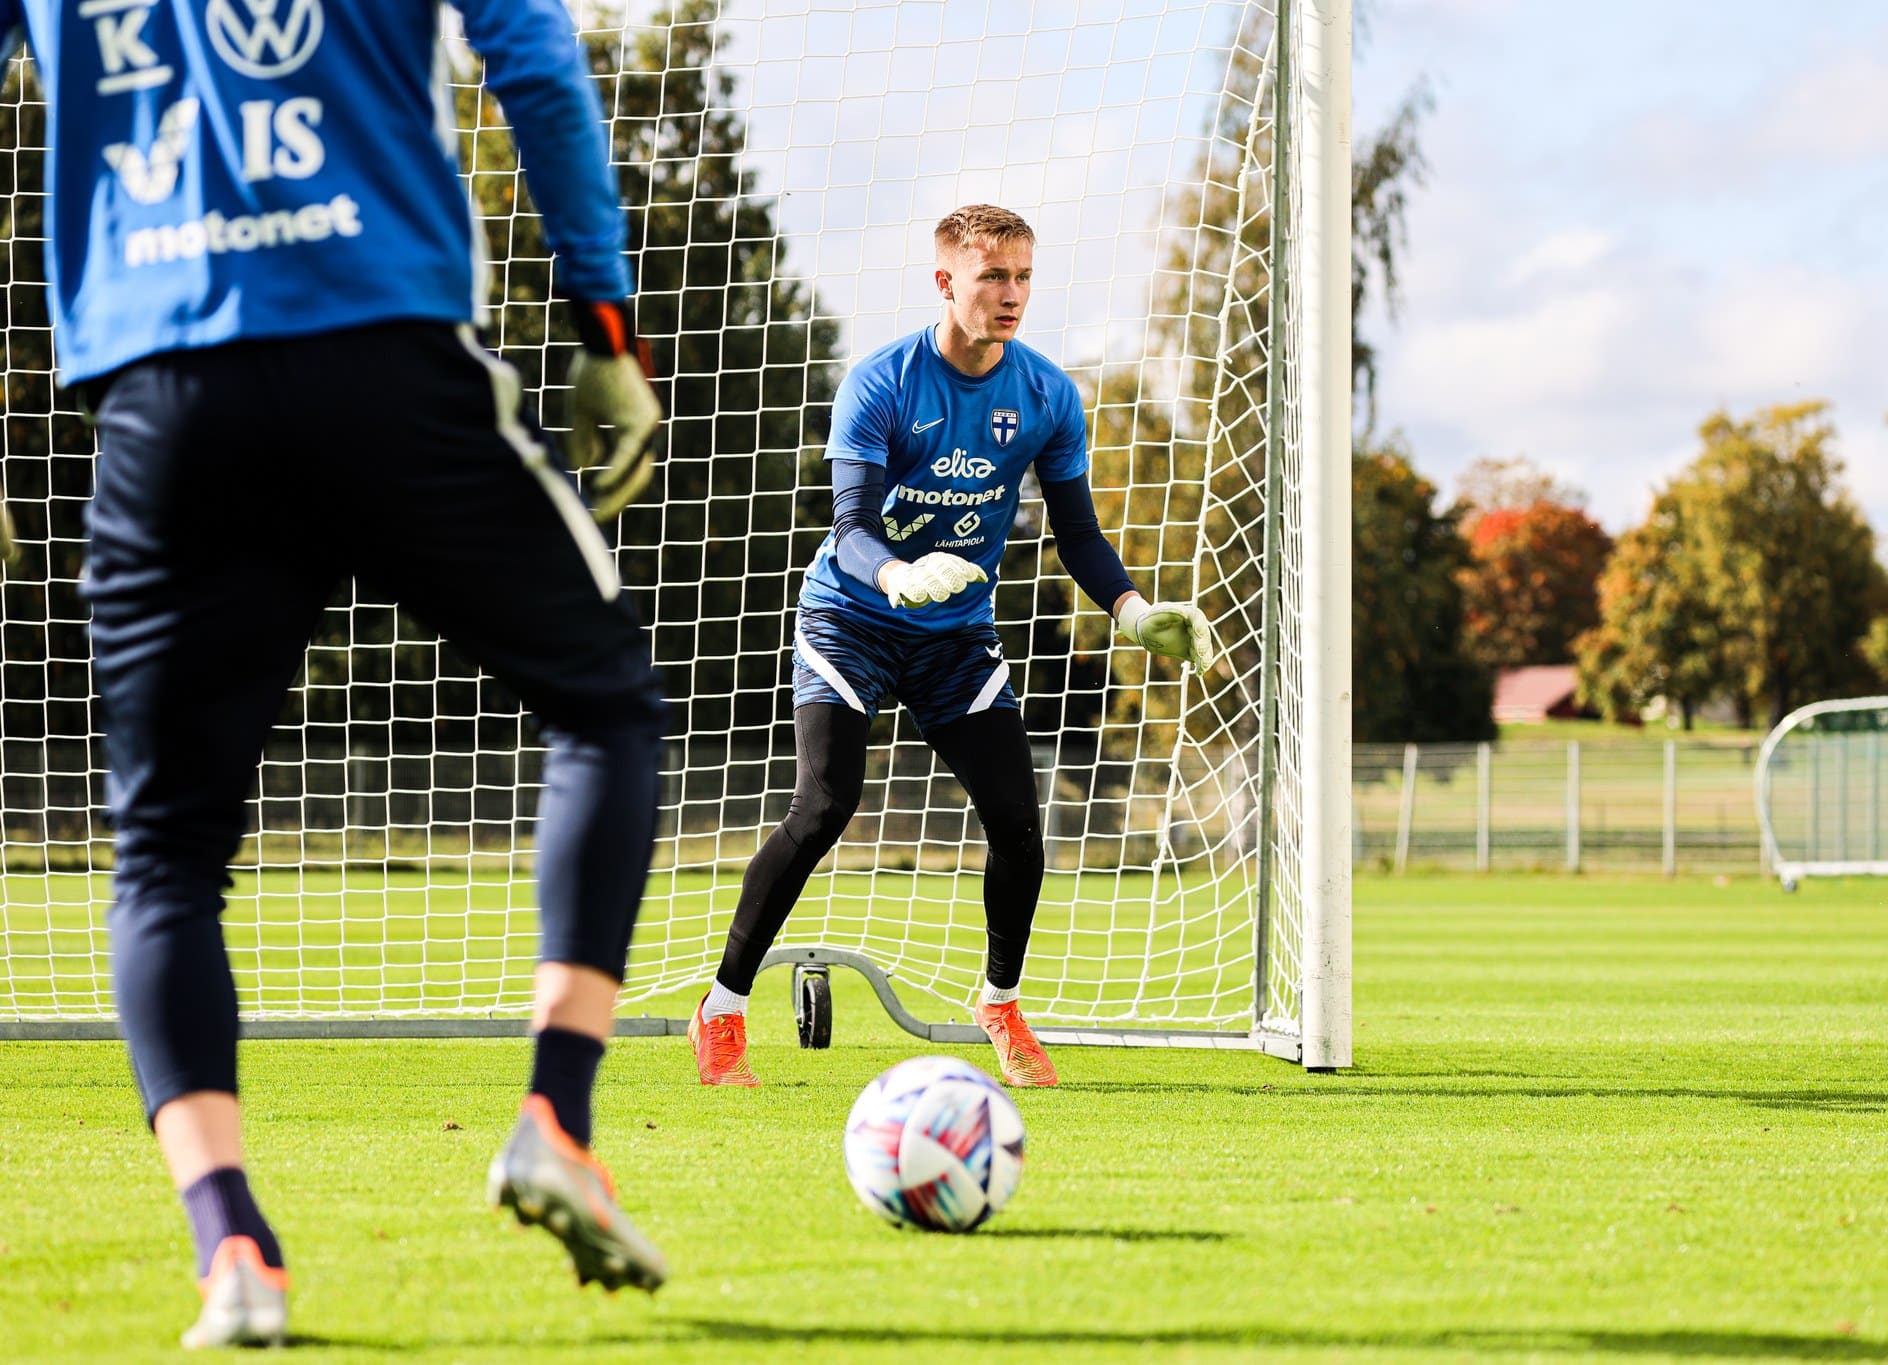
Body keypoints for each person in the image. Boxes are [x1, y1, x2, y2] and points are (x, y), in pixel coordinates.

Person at [0, 0, 671, 1345]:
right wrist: (604, 319)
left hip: (159, 399)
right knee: (603, 707)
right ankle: (556, 1114)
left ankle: (231, 1249)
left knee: (164, 855)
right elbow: (533, 57)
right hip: (383, 354)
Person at [689, 204, 1216, 1091]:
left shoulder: (1047, 394)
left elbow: (1077, 534)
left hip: (956, 638)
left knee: (1017, 823)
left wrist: (1131, 611)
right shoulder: (881, 383)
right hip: (850, 622)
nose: (1011, 296)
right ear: (947, 282)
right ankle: (724, 1009)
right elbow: (849, 525)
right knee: (825, 807)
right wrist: (896, 575)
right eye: (992, 278)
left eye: (1022, 278)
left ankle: (1000, 1004)